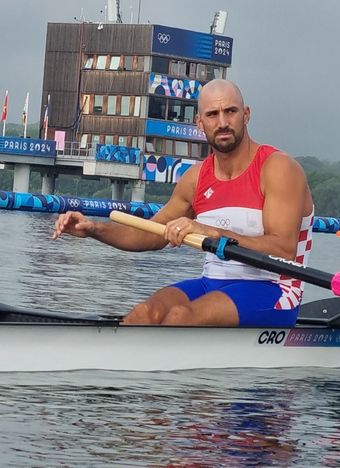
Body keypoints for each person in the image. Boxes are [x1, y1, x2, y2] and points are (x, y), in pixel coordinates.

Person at [52, 79, 313, 327]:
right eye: (212, 115)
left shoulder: (278, 169)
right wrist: (93, 229)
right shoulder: (196, 178)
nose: (222, 122)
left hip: (275, 290)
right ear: (199, 122)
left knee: (180, 317)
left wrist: (213, 232)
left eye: (230, 111)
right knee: (143, 314)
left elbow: (283, 249)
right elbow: (152, 235)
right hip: (211, 284)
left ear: (246, 114)